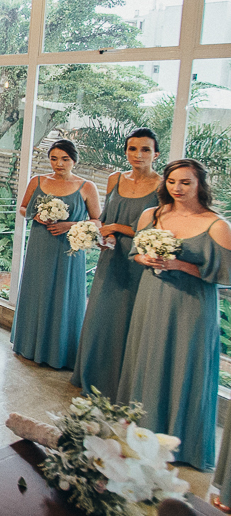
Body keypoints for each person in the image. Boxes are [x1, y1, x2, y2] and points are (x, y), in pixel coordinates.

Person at [119, 160, 231, 471]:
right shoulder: (152, 215)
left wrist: (179, 265)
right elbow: (135, 253)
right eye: (172, 182)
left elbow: (226, 275)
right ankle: (142, 434)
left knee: (185, 364)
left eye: (186, 183)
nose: (177, 189)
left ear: (200, 186)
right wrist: (148, 258)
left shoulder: (217, 225)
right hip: (151, 298)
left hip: (191, 306)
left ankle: (181, 445)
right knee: (147, 358)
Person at [71, 128, 160, 398]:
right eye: (133, 149)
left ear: (156, 153)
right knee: (102, 315)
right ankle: (95, 376)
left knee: (131, 319)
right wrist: (99, 236)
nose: (138, 155)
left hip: (140, 261)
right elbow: (105, 218)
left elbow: (158, 230)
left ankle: (123, 385)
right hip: (111, 256)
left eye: (145, 149)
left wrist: (119, 227)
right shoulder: (114, 179)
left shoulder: (163, 185)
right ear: (126, 152)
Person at [9, 139, 100, 369]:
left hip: (69, 250)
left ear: (74, 160)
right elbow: (23, 207)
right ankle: (29, 345)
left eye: (65, 159)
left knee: (65, 295)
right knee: (37, 291)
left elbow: (98, 220)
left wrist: (69, 225)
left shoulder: (87, 187)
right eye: (54, 158)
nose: (59, 164)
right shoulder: (37, 181)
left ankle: (61, 353)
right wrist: (36, 216)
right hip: (41, 246)